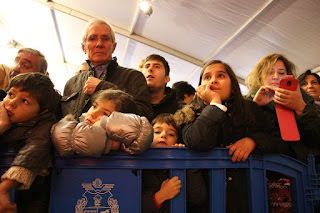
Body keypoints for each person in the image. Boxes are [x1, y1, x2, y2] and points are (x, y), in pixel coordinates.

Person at [174, 60, 289, 212]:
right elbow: (197, 141)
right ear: (200, 88)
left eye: (220, 76)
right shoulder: (189, 113)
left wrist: (253, 141)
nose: (213, 80)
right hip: (204, 201)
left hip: (246, 199)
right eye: (207, 77)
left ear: (233, 87)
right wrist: (215, 104)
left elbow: (279, 141)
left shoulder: (250, 109)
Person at [245, 53, 320, 212]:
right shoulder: (248, 103)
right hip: (263, 181)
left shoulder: (306, 101)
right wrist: (255, 106)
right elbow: (237, 134)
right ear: (260, 76)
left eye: (281, 72)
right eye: (270, 72)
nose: (276, 77)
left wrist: (301, 108)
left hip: (307, 181)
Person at [61, 18, 153, 121]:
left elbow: (144, 116)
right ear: (83, 47)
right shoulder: (71, 83)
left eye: (105, 39)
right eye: (92, 38)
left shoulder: (133, 77)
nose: (99, 44)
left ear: (114, 46)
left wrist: (104, 88)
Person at [0, 72, 61, 212]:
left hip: (30, 197)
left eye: (25, 101)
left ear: (41, 112)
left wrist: (4, 189)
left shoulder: (45, 125)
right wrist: (1, 126)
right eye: (11, 94)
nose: (12, 103)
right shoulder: (3, 116)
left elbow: (33, 150)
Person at [52, 89, 153, 156]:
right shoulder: (72, 125)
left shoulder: (123, 141)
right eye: (94, 106)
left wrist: (105, 125)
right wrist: (110, 143)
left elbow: (141, 135)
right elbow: (63, 136)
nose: (92, 113)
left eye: (105, 114)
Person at [142, 113, 208, 213]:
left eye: (171, 134)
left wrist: (185, 161)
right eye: (157, 132)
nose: (163, 135)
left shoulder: (185, 162)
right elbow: (130, 204)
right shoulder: (141, 165)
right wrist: (160, 196)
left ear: (177, 141)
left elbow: (197, 199)